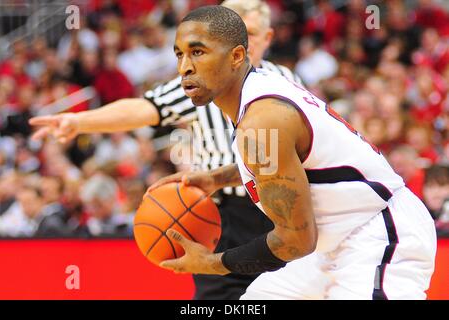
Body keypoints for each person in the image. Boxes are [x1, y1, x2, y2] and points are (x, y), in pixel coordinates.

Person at [151, 5, 436, 299]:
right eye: (179, 54)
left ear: (236, 56)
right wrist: (217, 179)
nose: (184, 66)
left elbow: (296, 240)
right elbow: (287, 162)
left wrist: (211, 263)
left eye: (198, 52)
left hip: (378, 233)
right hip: (331, 244)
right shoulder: (256, 90)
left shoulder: (262, 120)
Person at [29, 0, 302, 300]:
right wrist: (80, 121)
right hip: (223, 212)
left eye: (250, 33)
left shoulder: (285, 80)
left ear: (268, 37)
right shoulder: (203, 80)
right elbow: (145, 108)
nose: (243, 43)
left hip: (279, 204)